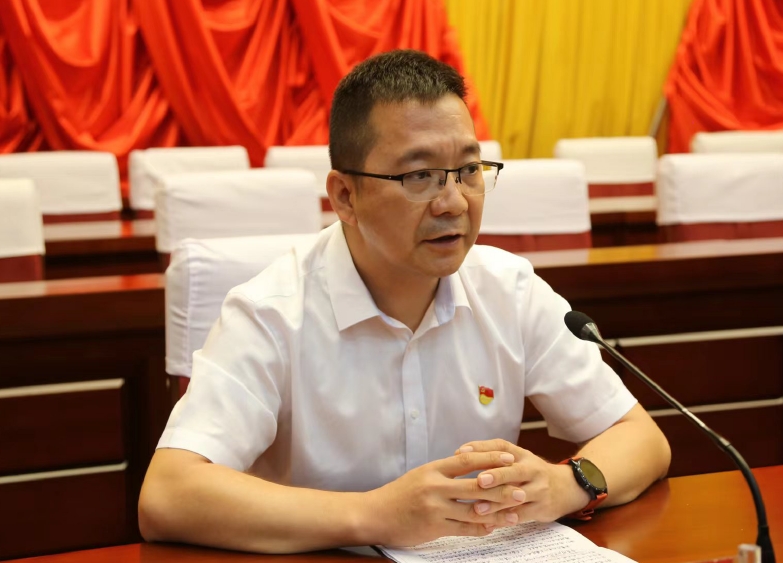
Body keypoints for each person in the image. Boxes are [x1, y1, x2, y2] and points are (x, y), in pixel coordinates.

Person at [138, 49, 670, 554]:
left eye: (469, 170)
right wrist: (375, 514)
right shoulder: (271, 313)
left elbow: (640, 437)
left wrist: (564, 484)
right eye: (419, 176)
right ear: (345, 196)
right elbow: (167, 495)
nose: (454, 202)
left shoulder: (509, 289)